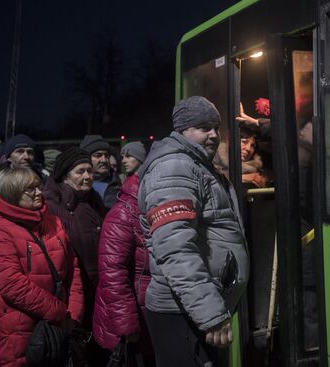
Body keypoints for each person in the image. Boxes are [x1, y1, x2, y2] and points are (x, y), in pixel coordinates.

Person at [138, 96, 249, 366]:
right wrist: (210, 313)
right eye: (203, 127)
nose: (213, 135)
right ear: (182, 130)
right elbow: (176, 250)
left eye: (216, 127)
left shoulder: (196, 164)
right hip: (183, 312)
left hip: (192, 308)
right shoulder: (174, 168)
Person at [0, 167, 84, 367]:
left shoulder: (53, 221)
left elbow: (73, 270)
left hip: (63, 325)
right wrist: (58, 312)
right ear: (12, 194)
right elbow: (11, 284)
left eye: (38, 186)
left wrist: (74, 312)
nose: (39, 192)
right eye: (30, 189)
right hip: (20, 329)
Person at [42, 147, 108, 365]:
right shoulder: (52, 206)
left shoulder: (94, 202)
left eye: (90, 171)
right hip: (72, 294)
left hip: (98, 289)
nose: (88, 176)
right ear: (65, 174)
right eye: (80, 171)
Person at [93, 170, 153, 362]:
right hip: (132, 322)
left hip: (151, 316)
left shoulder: (157, 207)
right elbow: (112, 274)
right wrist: (127, 325)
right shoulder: (123, 213)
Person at [79, 135, 121, 209]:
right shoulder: (74, 185)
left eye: (106, 155)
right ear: (86, 158)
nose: (104, 160)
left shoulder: (118, 185)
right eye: (98, 155)